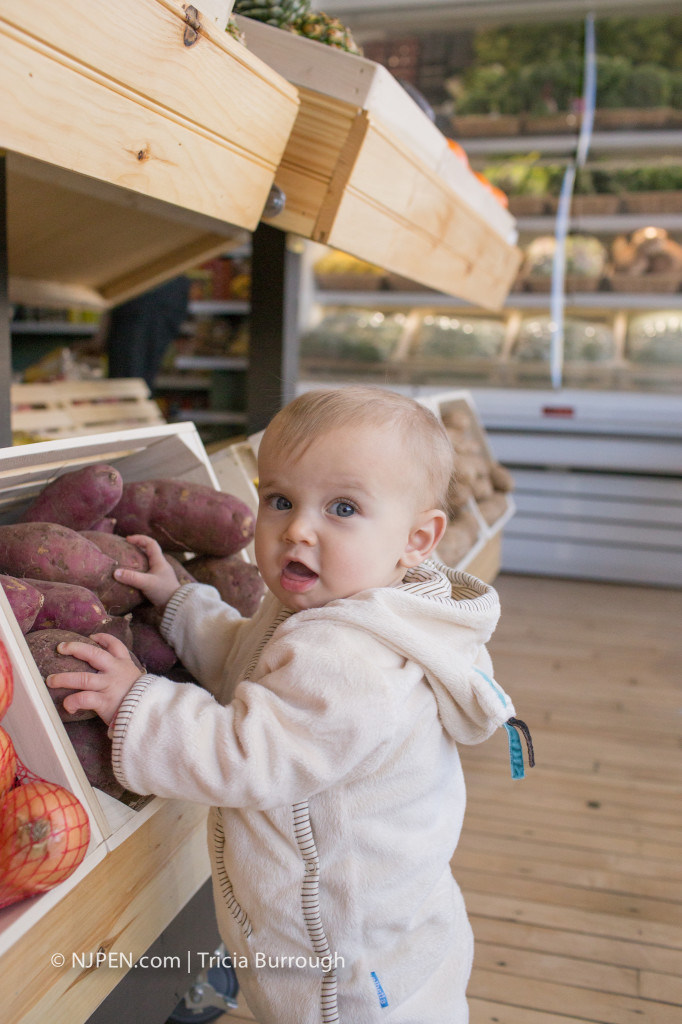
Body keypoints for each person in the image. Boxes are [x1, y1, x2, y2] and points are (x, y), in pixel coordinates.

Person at [47, 386, 531, 1024]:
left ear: (417, 539)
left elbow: (247, 757)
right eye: (280, 500)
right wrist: (180, 603)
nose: (298, 528)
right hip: (391, 943)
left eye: (342, 507)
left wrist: (137, 702)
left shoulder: (351, 660)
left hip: (344, 978)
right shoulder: (340, 605)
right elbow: (249, 663)